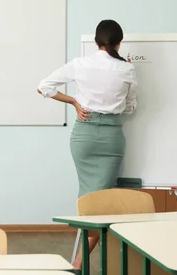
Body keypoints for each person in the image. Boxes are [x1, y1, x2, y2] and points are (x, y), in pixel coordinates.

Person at [36, 19, 137, 269]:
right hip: (112, 138)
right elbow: (132, 106)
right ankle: (80, 264)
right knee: (98, 201)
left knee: (91, 199)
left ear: (95, 42)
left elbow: (43, 87)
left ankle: (79, 263)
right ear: (119, 43)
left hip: (84, 137)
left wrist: (74, 102)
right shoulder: (127, 70)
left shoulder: (80, 64)